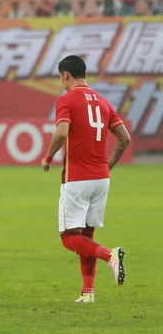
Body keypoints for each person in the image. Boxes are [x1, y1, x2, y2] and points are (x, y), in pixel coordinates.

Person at [41, 55, 131, 303]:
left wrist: (48, 157)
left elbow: (61, 132)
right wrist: (107, 166)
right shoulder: (103, 102)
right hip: (101, 179)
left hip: (77, 178)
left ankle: (109, 255)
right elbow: (124, 138)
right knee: (86, 236)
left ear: (65, 75)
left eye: (61, 77)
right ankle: (88, 292)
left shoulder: (67, 99)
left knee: (70, 238)